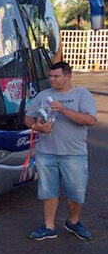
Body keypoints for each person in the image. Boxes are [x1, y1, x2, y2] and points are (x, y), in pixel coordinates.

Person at [25, 61, 97, 241]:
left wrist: (62, 109)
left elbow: (90, 121)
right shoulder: (43, 95)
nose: (52, 79)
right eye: (50, 76)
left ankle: (73, 222)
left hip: (74, 153)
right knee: (48, 191)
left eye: (56, 76)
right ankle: (49, 226)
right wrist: (37, 127)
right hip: (46, 152)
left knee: (76, 192)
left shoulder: (82, 94)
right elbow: (28, 118)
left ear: (68, 76)